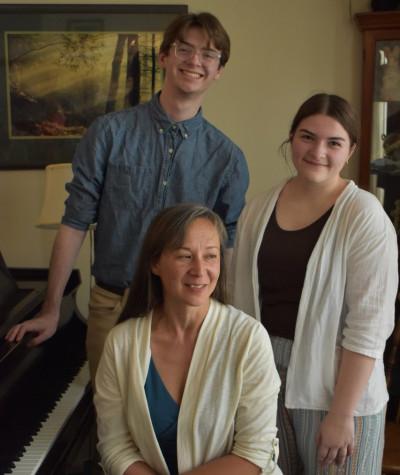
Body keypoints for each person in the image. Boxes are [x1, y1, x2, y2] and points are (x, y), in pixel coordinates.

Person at [5, 12, 249, 381]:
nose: (194, 60)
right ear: (165, 56)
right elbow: (74, 223)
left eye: (208, 54)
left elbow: (226, 248)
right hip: (112, 307)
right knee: (108, 428)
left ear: (219, 71)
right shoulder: (108, 134)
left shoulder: (228, 158)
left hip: (188, 316)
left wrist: (226, 319)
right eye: (184, 48)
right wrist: (52, 309)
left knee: (175, 431)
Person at [230, 93, 399, 474]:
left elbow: (369, 327)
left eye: (333, 142)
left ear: (351, 149)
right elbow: (238, 303)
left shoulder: (364, 217)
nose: (317, 150)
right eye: (307, 137)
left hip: (336, 388)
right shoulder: (258, 209)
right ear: (291, 138)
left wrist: (342, 415)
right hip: (265, 381)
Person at [94, 203, 281, 475]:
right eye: (184, 256)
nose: (199, 269)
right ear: (155, 262)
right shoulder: (121, 342)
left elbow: (255, 452)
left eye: (210, 256)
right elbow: (115, 446)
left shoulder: (249, 338)